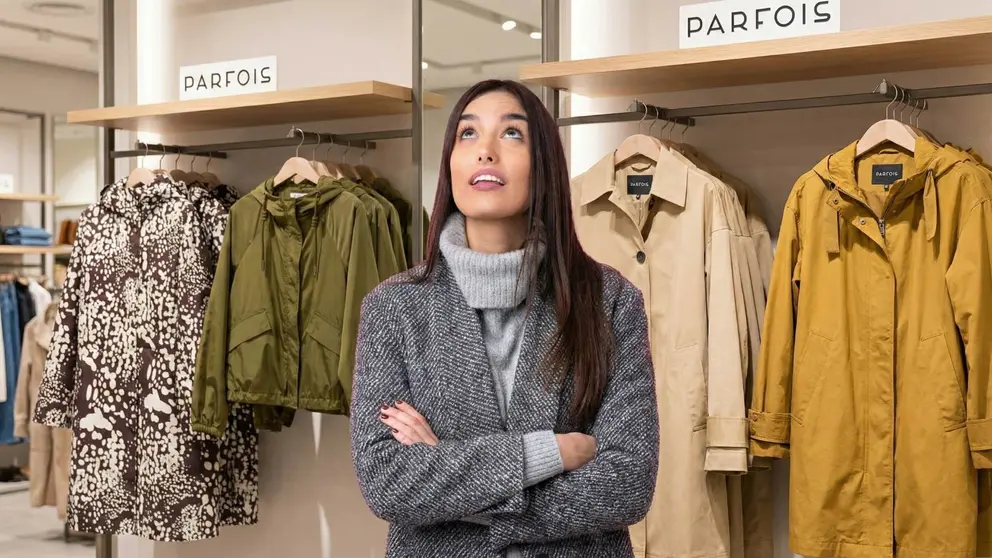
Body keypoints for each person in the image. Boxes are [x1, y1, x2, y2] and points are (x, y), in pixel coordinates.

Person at [349, 79, 659, 558]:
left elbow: (627, 481)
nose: (485, 152)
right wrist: (549, 454)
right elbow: (387, 482)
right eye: (467, 135)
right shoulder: (394, 307)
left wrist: (449, 478)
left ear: (546, 166)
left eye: (512, 134)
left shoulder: (609, 300)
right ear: (449, 163)